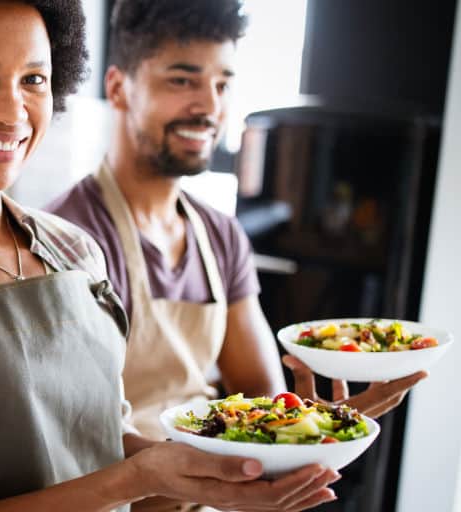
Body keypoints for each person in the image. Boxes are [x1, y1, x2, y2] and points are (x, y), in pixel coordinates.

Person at [0, 1, 339, 511]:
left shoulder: (74, 250)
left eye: (33, 79)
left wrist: (234, 470)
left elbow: (104, 436)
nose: (11, 111)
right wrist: (135, 478)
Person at [46, 2, 426, 508]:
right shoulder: (68, 238)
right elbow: (71, 434)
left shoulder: (221, 237)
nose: (209, 106)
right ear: (118, 87)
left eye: (222, 84)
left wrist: (312, 424)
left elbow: (262, 397)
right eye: (182, 81)